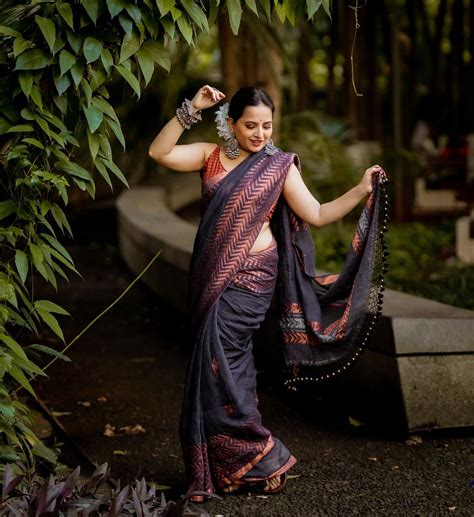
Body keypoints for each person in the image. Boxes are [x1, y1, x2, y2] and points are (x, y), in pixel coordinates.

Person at [148, 85, 388, 502]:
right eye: (250, 125)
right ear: (231, 123)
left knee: (223, 357)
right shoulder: (211, 156)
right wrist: (192, 110)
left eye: (267, 125)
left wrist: (360, 189)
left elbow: (315, 212)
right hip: (211, 275)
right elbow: (161, 152)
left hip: (253, 279)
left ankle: (259, 453)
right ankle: (233, 465)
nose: (260, 134)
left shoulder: (278, 166)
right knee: (218, 366)